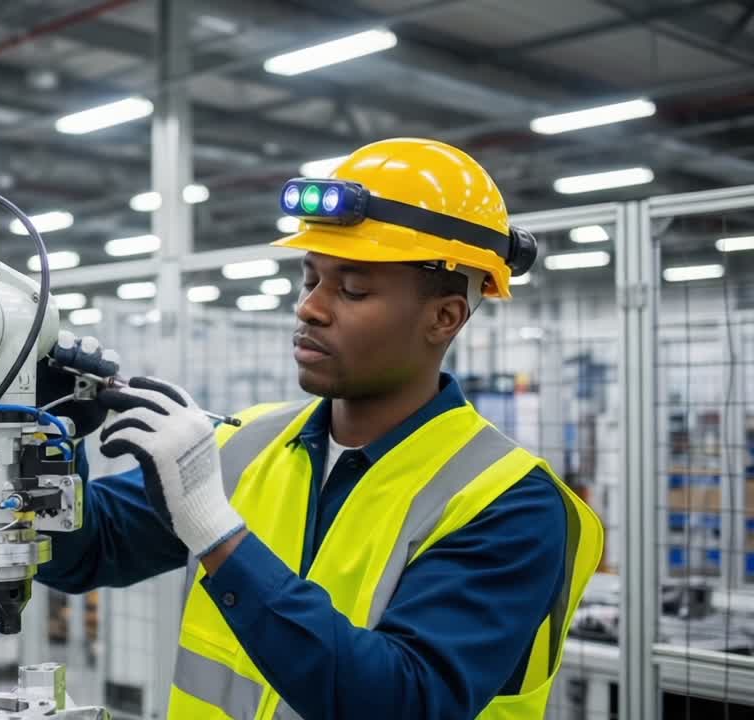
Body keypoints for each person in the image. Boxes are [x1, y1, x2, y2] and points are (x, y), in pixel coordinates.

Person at [36, 137, 603, 720]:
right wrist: (47, 439)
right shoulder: (244, 446)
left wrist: (215, 530)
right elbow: (81, 555)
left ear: (443, 317)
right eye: (310, 280)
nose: (310, 307)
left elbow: (401, 700)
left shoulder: (511, 505)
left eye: (352, 288)